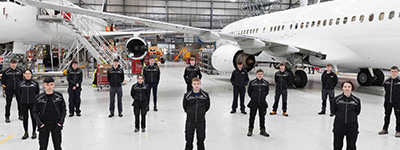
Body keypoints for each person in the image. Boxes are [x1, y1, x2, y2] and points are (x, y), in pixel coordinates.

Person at [32, 77, 66, 150]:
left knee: (57, 146)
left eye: (51, 84)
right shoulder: (38, 97)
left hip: (56, 125)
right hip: (44, 125)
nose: (49, 86)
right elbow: (35, 112)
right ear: (44, 85)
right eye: (47, 84)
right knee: (43, 147)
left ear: (53, 85)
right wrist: (40, 124)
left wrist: (60, 123)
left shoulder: (59, 96)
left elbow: (63, 110)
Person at [332, 81, 361, 150]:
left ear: (352, 88)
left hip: (352, 126)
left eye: (349, 87)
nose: (347, 89)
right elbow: (333, 110)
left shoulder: (356, 100)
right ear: (342, 88)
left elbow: (357, 111)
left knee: (351, 146)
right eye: (345, 87)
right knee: (337, 145)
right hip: (339, 125)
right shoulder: (337, 99)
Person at [183, 77, 210, 150]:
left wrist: (202, 112)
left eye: (198, 84)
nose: (196, 86)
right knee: (188, 141)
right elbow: (185, 107)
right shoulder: (187, 95)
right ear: (192, 84)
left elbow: (207, 106)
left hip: (201, 122)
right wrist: (189, 112)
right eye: (194, 84)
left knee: (201, 141)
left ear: (200, 84)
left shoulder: (205, 95)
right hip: (190, 122)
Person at [247, 69, 270, 137]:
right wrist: (254, 97)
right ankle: (250, 130)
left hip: (262, 103)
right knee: (252, 117)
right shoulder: (252, 82)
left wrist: (262, 98)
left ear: (263, 75)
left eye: (261, 74)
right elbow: (249, 91)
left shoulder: (265, 83)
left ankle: (262, 130)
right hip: (254, 102)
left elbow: (266, 92)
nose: (260, 75)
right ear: (256, 74)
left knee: (262, 117)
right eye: (259, 74)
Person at [378, 66, 400, 137]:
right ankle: (385, 129)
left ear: (398, 72)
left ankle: (398, 130)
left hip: (397, 103)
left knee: (398, 116)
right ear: (390, 72)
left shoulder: (399, 81)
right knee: (387, 115)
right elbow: (385, 90)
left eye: (395, 71)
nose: (393, 73)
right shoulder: (387, 81)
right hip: (388, 102)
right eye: (392, 71)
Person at [18, 69, 40, 140]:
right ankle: (26, 132)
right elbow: (19, 93)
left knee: (33, 118)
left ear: (31, 75)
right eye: (26, 74)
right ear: (24, 75)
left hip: (32, 103)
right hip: (23, 103)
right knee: (25, 118)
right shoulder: (20, 83)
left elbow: (37, 93)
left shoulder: (35, 83)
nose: (27, 75)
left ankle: (34, 132)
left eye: (29, 74)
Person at [2, 58, 23, 123]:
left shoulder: (19, 71)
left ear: (16, 64)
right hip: (9, 89)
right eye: (12, 63)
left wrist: (20, 88)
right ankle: (7, 116)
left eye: (14, 63)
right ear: (10, 64)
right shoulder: (6, 71)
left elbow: (22, 80)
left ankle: (21, 115)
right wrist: (6, 88)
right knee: (8, 103)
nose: (13, 65)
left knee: (20, 102)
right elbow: (2, 81)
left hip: (17, 89)